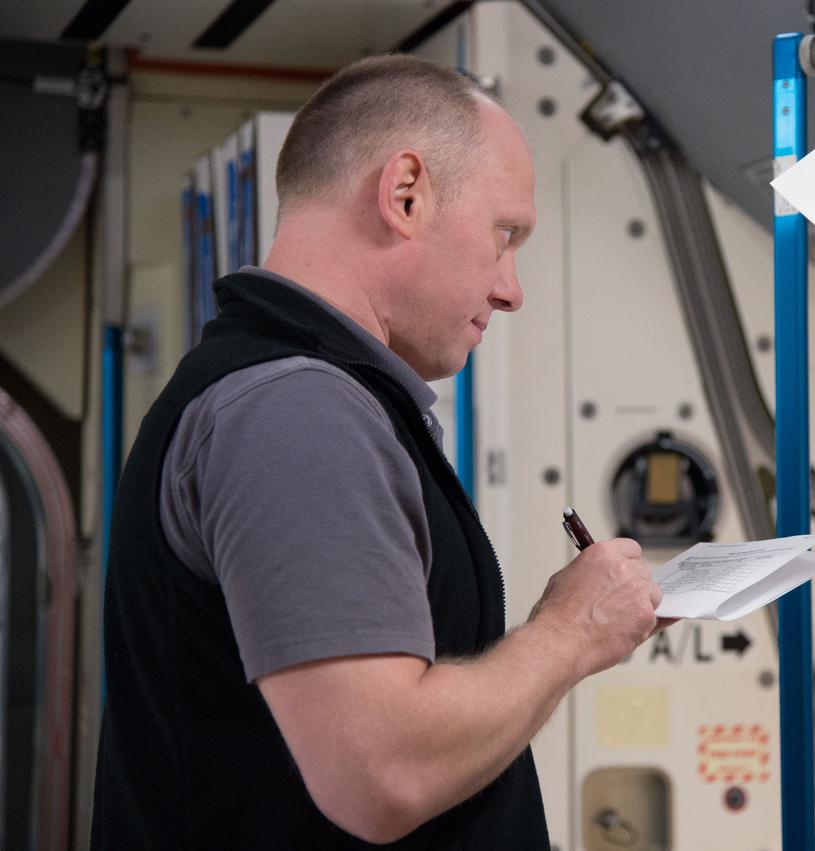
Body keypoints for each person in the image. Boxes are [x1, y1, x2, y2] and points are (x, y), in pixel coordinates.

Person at [92, 55, 665, 848]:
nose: (511, 289)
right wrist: (572, 631)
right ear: (405, 195)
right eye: (504, 235)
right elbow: (383, 772)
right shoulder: (295, 412)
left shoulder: (298, 394)